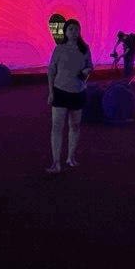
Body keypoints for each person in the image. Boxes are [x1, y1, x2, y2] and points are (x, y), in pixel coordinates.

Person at [46, 18, 94, 173]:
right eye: (70, 29)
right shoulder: (59, 49)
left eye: (76, 28)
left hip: (78, 92)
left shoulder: (84, 49)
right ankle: (56, 162)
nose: (73, 31)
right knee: (57, 127)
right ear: (65, 32)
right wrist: (51, 92)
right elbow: (51, 71)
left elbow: (90, 66)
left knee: (74, 126)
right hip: (60, 91)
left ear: (79, 31)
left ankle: (70, 157)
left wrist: (87, 71)